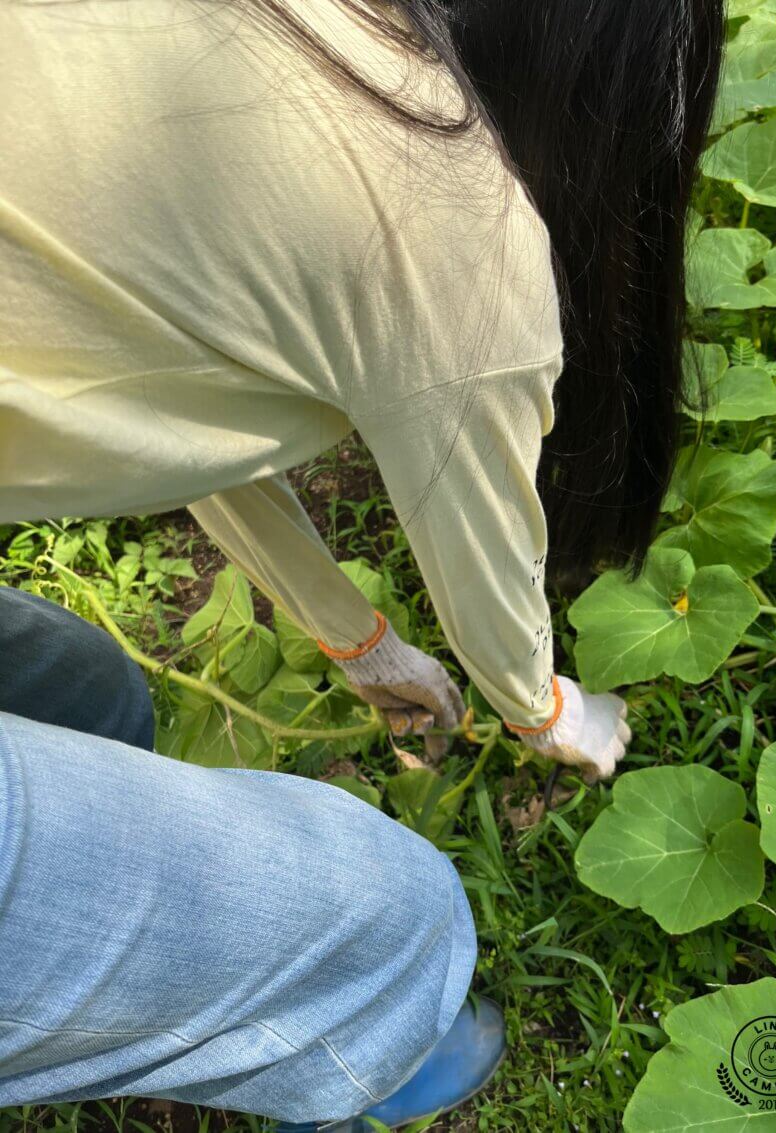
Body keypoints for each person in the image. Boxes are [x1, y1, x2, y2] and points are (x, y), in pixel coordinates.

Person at [0, 0, 724, 1126]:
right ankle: (362, 1044)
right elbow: (486, 556)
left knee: (84, 694)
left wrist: (360, 636)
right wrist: (547, 708)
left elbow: (158, 404)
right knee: (389, 918)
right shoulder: (459, 232)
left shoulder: (268, 37)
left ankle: (116, 998)